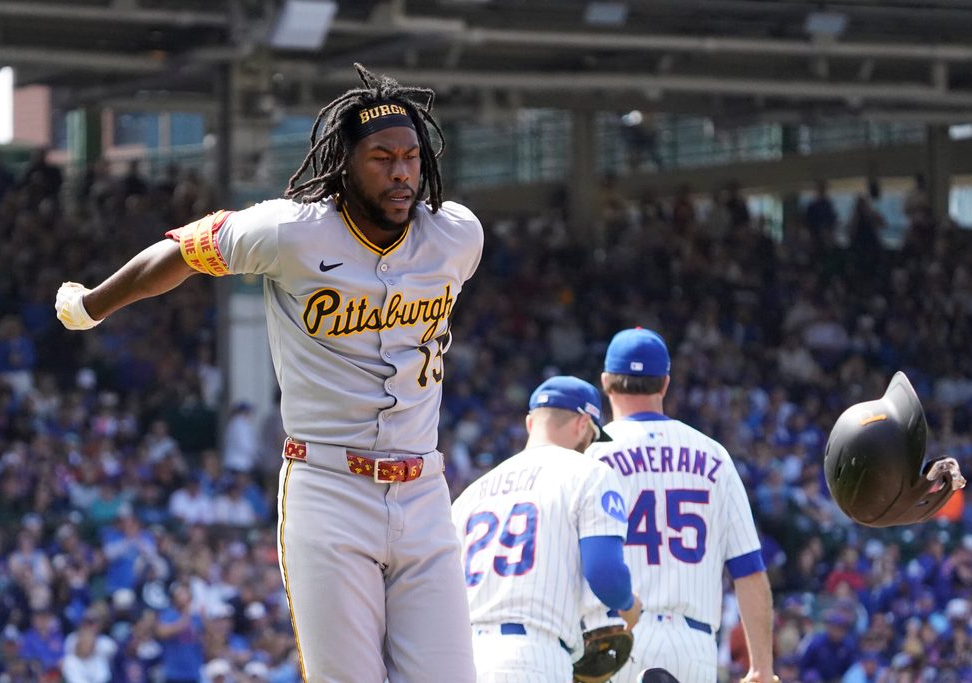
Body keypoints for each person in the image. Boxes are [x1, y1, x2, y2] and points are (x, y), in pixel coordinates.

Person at [56, 63, 484, 682]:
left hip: (425, 488)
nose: (401, 172)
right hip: (330, 488)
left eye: (412, 157)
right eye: (382, 157)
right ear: (343, 164)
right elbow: (179, 252)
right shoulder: (289, 231)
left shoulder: (456, 235)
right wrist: (93, 304)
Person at [584, 329, 776, 683]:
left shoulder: (590, 458)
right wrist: (761, 667)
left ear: (606, 382)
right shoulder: (714, 455)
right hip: (693, 645)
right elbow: (748, 569)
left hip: (612, 638)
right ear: (665, 383)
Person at [451, 376, 642, 682]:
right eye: (592, 437)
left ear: (530, 424)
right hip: (533, 656)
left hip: (462, 658)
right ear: (582, 424)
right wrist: (629, 604)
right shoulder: (589, 474)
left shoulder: (470, 494)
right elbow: (605, 573)